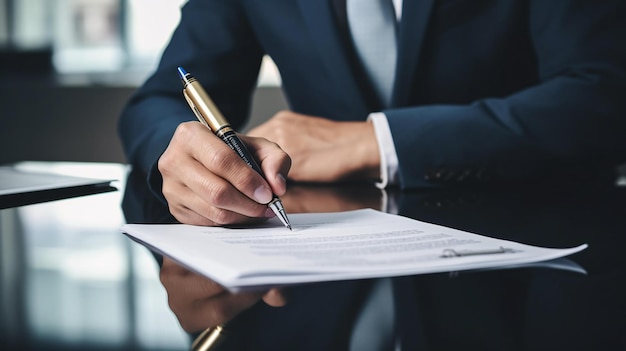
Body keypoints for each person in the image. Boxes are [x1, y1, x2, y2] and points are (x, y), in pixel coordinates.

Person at [118, 0, 626, 338]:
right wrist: (180, 148)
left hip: (536, 267)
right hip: (319, 280)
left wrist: (376, 140)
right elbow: (162, 97)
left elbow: (602, 92)